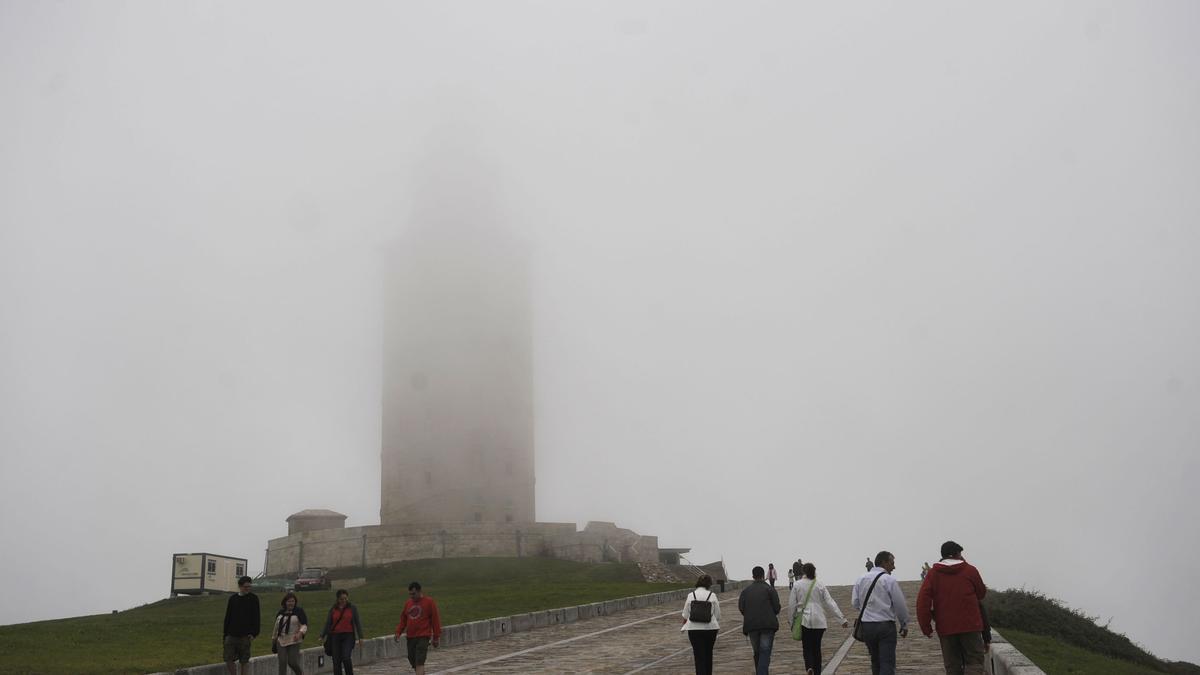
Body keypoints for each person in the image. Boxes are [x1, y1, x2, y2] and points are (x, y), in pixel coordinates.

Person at [917, 541, 988, 675]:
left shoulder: (933, 574)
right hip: (970, 625)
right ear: (957, 554)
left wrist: (926, 627)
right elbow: (981, 593)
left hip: (946, 627)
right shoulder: (970, 570)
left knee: (952, 666)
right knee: (974, 662)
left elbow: (922, 602)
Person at [852, 551, 910, 675]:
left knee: (875, 660)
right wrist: (904, 624)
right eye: (892, 563)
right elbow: (900, 605)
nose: (894, 567)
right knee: (887, 662)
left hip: (867, 626)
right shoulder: (889, 580)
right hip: (885, 625)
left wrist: (868, 609)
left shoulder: (861, 579)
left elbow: (855, 603)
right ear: (884, 562)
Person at [787, 563, 847, 675]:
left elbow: (791, 605)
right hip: (819, 621)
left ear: (803, 572)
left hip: (804, 620)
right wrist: (841, 619)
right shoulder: (820, 585)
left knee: (807, 647)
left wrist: (791, 621)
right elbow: (830, 602)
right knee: (817, 648)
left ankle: (809, 667)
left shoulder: (797, 585)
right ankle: (817, 671)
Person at [738, 565, 781, 675]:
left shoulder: (745, 591)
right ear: (763, 575)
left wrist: (749, 615)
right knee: (765, 652)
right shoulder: (770, 589)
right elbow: (777, 608)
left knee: (757, 652)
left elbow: (741, 608)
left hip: (751, 626)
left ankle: (760, 672)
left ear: (753, 576)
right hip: (767, 625)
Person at [394, 581, 442, 675]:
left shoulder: (429, 602)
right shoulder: (408, 603)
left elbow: (435, 620)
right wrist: (398, 632)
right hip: (411, 637)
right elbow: (403, 619)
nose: (412, 596)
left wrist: (436, 637)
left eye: (414, 594)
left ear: (420, 591)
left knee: (420, 660)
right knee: (412, 659)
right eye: (410, 594)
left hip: (423, 636)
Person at [681, 574, 721, 675]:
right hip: (710, 628)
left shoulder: (691, 595)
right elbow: (718, 614)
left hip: (694, 629)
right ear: (709, 584)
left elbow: (685, 614)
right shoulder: (712, 595)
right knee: (708, 653)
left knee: (699, 656)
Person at [320, 589, 364, 675]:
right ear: (337, 599)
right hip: (335, 636)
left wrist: (360, 637)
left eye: (345, 598)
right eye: (341, 599)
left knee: (346, 657)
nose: (344, 601)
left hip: (348, 635)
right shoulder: (333, 609)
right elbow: (328, 622)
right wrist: (322, 635)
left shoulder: (352, 608)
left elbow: (357, 622)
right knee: (336, 660)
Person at [222, 576, 260, 675]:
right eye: (245, 586)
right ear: (240, 586)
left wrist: (254, 633)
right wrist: (225, 634)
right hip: (231, 635)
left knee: (244, 660)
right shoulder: (233, 599)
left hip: (245, 636)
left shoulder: (253, 598)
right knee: (228, 658)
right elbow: (228, 616)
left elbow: (256, 616)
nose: (247, 588)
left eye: (249, 586)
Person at [271, 592, 308, 675]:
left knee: (292, 662)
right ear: (285, 602)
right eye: (289, 601)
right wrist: (273, 639)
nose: (291, 603)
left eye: (292, 601)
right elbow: (276, 627)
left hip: (294, 639)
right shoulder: (280, 613)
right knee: (282, 662)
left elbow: (304, 625)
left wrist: (300, 633)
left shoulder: (299, 611)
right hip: (281, 640)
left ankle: (300, 673)